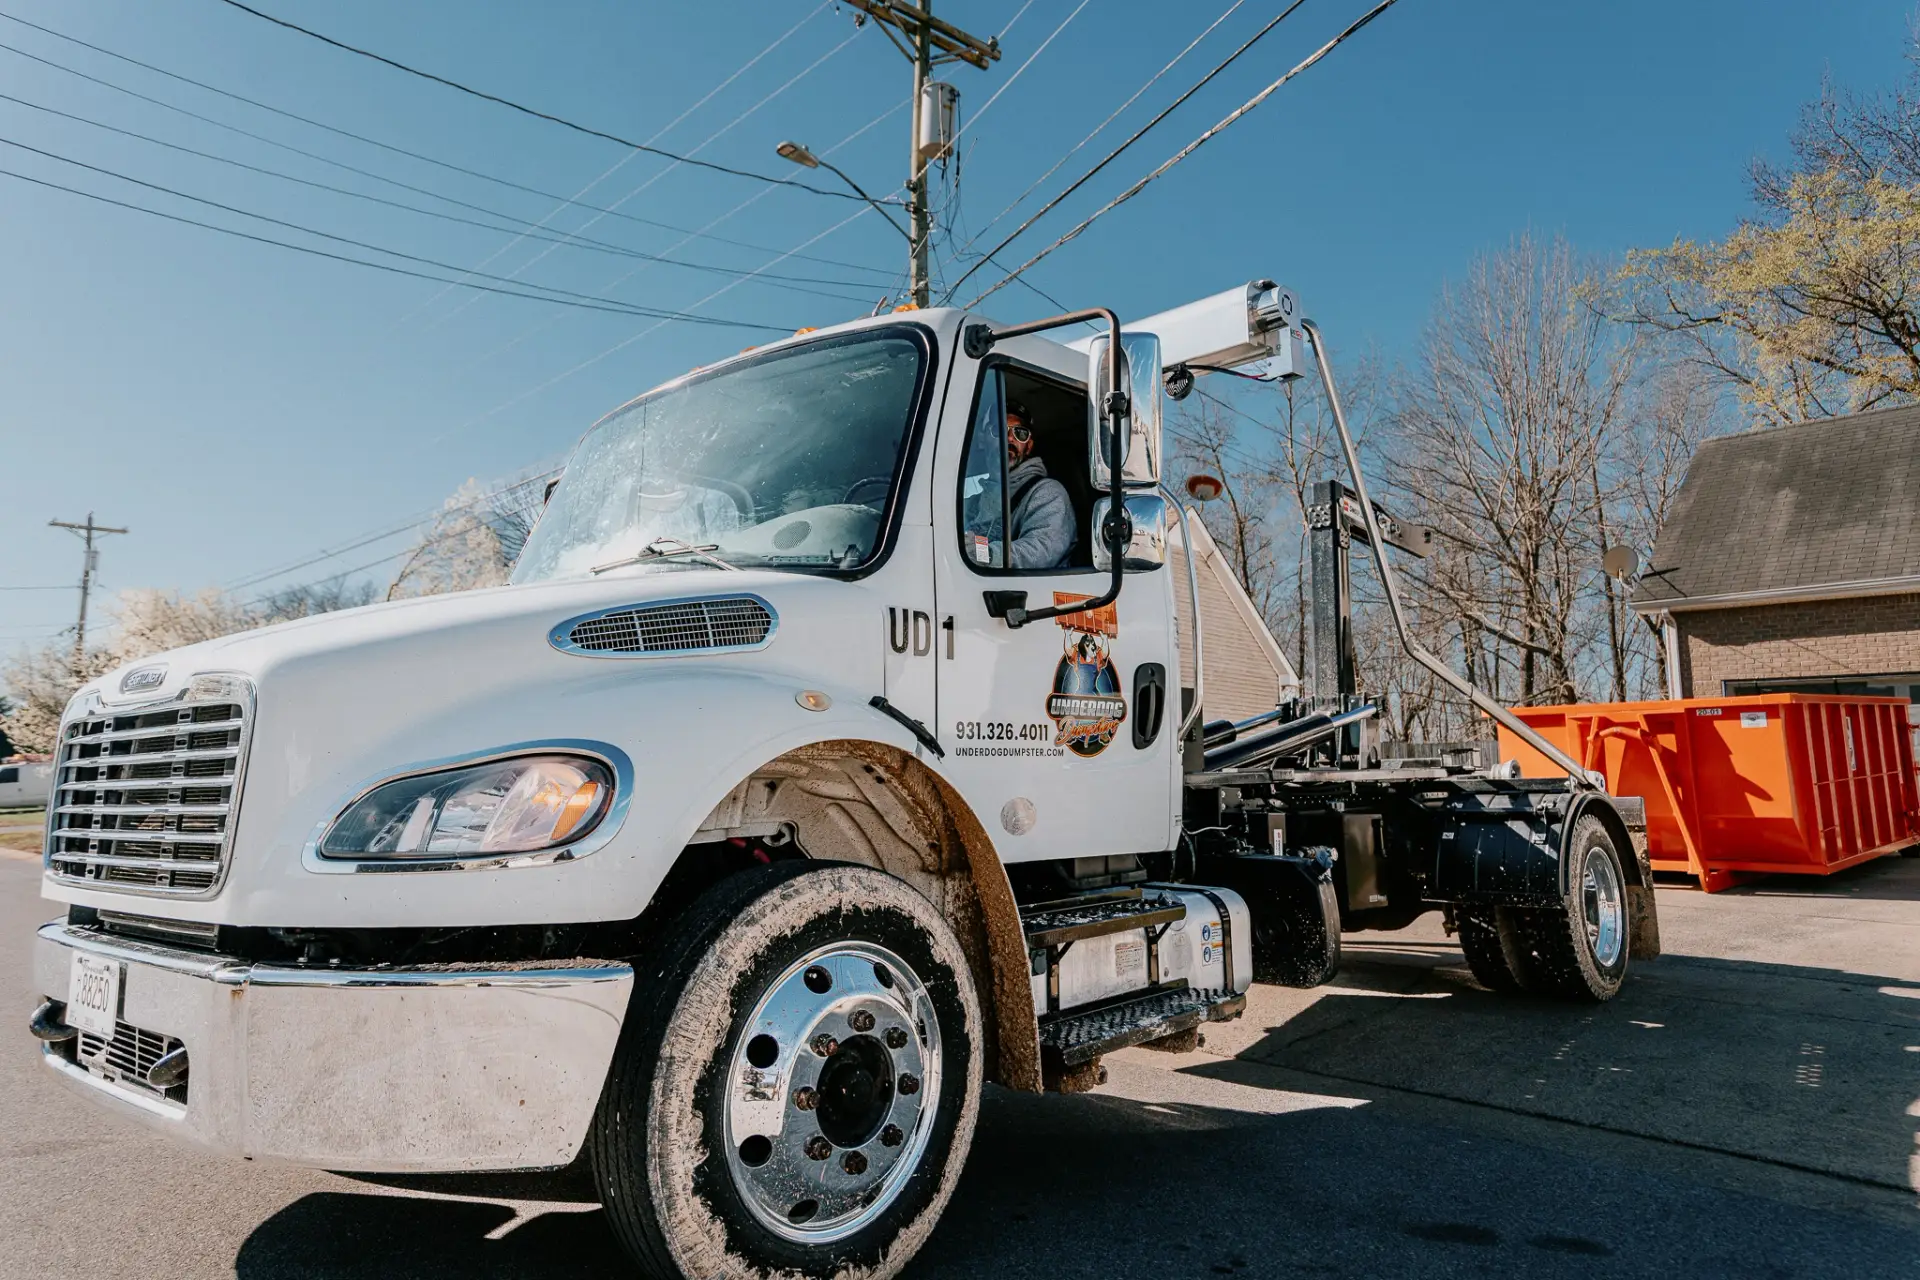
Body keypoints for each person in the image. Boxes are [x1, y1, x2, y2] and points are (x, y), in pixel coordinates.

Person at [1003, 398, 1076, 569]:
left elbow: (1041, 552)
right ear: (983, 441)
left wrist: (982, 554)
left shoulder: (1048, 492)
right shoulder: (973, 499)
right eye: (1000, 429)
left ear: (1028, 446)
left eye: (1020, 433)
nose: (1009, 438)